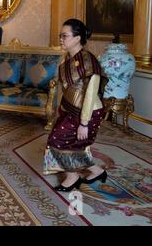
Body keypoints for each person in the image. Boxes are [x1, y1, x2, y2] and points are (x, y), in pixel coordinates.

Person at [44, 19, 107, 192]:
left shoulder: (89, 61)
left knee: (56, 141)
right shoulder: (67, 59)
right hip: (71, 109)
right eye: (61, 36)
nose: (61, 39)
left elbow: (90, 94)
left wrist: (84, 123)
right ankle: (96, 171)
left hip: (88, 112)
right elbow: (67, 88)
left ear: (78, 38)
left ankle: (72, 177)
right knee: (73, 145)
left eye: (65, 36)